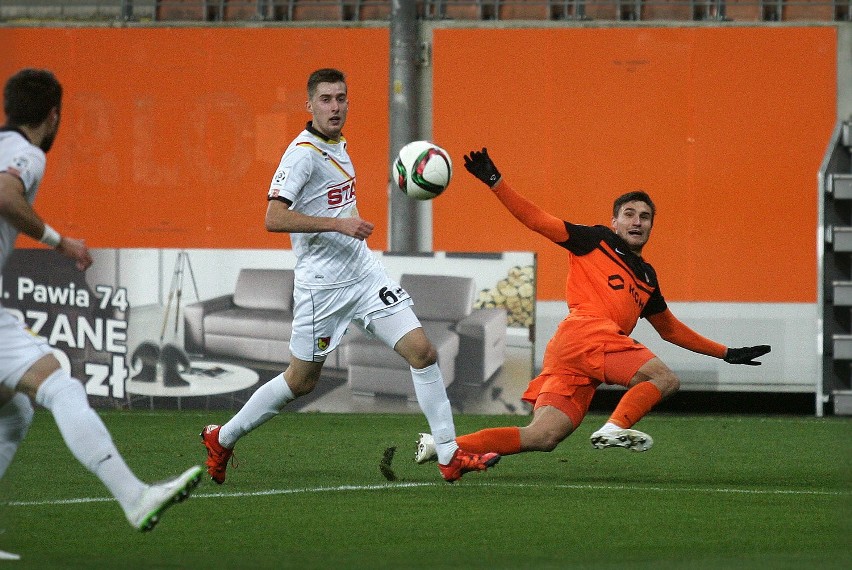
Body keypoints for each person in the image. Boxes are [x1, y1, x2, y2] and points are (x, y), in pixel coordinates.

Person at [200, 68, 499, 484]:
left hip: (364, 276)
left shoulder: (338, 145)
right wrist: (337, 225)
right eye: (325, 99)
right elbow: (273, 217)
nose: (335, 106)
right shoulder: (302, 154)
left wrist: (347, 225)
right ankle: (223, 437)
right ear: (309, 105)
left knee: (424, 353)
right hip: (322, 289)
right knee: (301, 381)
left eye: (341, 98)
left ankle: (449, 455)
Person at [414, 148, 771, 464]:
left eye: (644, 217)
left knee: (543, 436)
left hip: (574, 354)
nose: (636, 221)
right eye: (629, 214)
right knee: (664, 378)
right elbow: (537, 220)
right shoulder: (595, 240)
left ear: (651, 226)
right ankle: (615, 428)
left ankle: (444, 446)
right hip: (586, 335)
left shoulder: (647, 277)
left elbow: (670, 329)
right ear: (614, 221)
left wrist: (725, 353)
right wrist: (496, 182)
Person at [0, 70, 203, 555]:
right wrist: (60, 241)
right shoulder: (25, 154)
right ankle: (134, 496)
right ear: (54, 116)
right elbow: (6, 194)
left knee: (14, 409)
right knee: (60, 384)